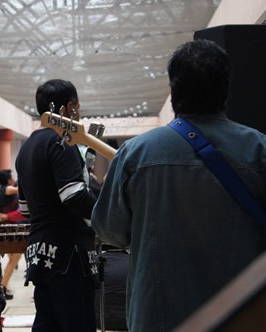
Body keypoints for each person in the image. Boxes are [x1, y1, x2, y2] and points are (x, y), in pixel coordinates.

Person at [92, 39, 266, 332]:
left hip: (157, 317)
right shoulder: (259, 150)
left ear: (173, 91)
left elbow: (109, 230)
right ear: (226, 89)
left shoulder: (136, 153)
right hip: (242, 316)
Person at [15, 79, 98, 331]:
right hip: (69, 256)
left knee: (47, 324)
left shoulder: (26, 148)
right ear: (69, 108)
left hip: (40, 254)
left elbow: (25, 209)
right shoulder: (62, 141)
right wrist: (107, 217)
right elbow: (73, 196)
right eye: (78, 107)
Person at [0, 169, 27, 300]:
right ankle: (3, 287)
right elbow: (20, 190)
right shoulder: (7, 189)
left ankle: (3, 285)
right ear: (8, 179)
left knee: (13, 259)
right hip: (9, 229)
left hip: (6, 228)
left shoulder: (0, 191)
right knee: (14, 258)